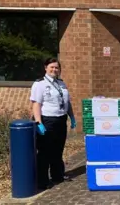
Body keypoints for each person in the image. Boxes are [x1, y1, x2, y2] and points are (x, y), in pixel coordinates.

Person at [31, 58, 76, 189]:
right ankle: (43, 181)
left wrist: (72, 117)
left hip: (61, 120)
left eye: (57, 68)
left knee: (58, 150)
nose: (54, 70)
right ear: (46, 68)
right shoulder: (39, 84)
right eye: (52, 67)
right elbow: (36, 104)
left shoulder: (61, 83)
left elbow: (67, 102)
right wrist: (38, 122)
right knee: (45, 151)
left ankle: (58, 176)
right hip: (47, 120)